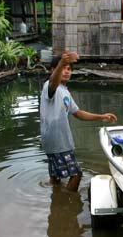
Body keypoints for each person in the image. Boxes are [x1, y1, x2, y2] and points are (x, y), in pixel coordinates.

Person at [40, 51, 117, 191]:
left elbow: (78, 113)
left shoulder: (65, 92)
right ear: (53, 70)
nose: (66, 71)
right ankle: (68, 202)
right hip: (59, 142)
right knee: (76, 174)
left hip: (50, 142)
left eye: (69, 69)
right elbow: (53, 82)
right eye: (63, 68)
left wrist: (101, 116)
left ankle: (55, 199)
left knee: (55, 178)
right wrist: (62, 62)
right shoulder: (49, 87)